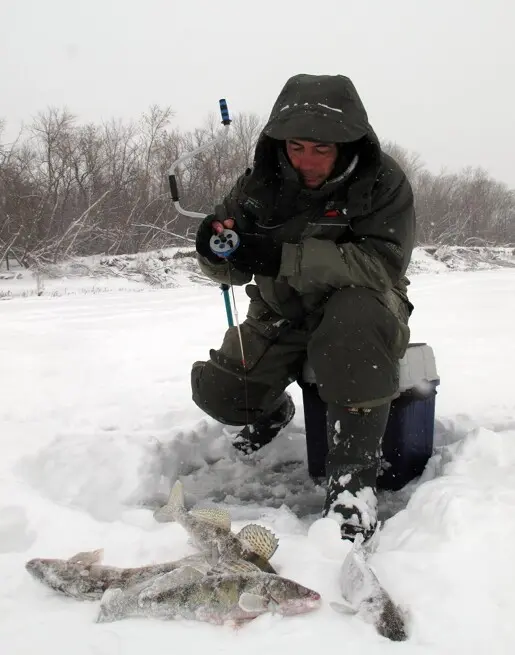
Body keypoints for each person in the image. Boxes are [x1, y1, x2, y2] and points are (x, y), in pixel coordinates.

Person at [191, 73, 415, 543]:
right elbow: (232, 269)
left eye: (321, 149)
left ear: (348, 143)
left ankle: (353, 480)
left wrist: (284, 256)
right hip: (280, 312)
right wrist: (215, 252)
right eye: (296, 147)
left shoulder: (384, 183)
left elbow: (382, 265)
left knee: (352, 324)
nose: (306, 161)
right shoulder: (257, 184)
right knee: (221, 393)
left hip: (361, 309)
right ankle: (272, 410)